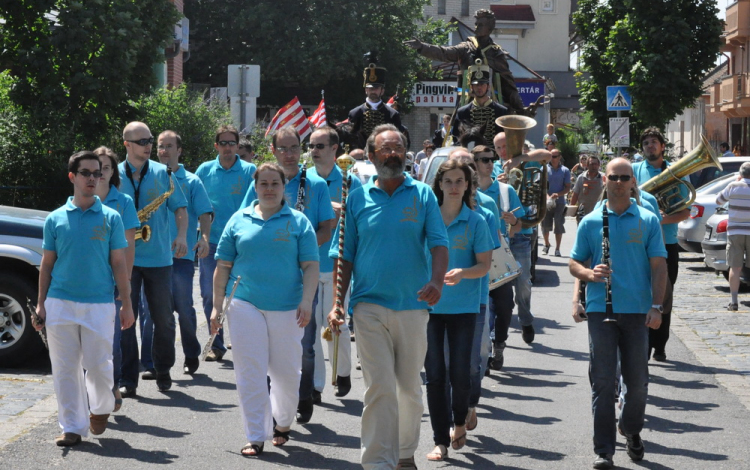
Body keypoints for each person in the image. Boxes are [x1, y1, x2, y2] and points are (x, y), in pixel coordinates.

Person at [328, 124, 449, 469]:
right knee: (379, 387)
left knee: (408, 388)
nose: (393, 154)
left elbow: (439, 244)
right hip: (368, 306)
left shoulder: (423, 195)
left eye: (398, 148)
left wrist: (437, 282)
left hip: (413, 305)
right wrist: (339, 301)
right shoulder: (357, 198)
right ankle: (378, 462)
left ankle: (406, 452)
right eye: (385, 149)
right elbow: (345, 254)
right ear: (371, 156)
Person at [211, 162, 319, 457]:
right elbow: (222, 265)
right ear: (255, 187)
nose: (269, 189)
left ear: (285, 187)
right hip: (244, 303)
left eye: (275, 184)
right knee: (250, 370)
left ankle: (283, 422)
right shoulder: (239, 219)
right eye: (264, 184)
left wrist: (307, 301)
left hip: (288, 307)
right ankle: (256, 435)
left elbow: (310, 266)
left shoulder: (298, 222)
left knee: (286, 373)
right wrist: (216, 306)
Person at [569, 157, 667, 469]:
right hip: (601, 309)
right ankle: (604, 451)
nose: (620, 182)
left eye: (625, 177)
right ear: (605, 181)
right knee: (601, 381)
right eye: (614, 177)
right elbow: (574, 263)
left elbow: (659, 266)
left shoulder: (648, 219)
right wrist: (587, 274)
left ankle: (632, 428)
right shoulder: (591, 221)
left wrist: (657, 306)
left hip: (638, 311)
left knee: (637, 382)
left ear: (633, 182)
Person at [36, 150, 134, 446]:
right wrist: (41, 303)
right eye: (86, 173)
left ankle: (101, 408)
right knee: (65, 368)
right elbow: (47, 263)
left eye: (97, 173)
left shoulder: (111, 217)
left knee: (99, 364)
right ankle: (72, 427)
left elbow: (119, 262)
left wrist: (126, 303)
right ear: (72, 177)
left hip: (100, 303)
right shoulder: (54, 219)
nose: (93, 178)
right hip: (60, 302)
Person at [240, 126, 335, 425]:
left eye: (294, 147)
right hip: (267, 276)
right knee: (266, 344)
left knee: (304, 341)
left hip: (302, 273)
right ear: (273, 150)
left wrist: (298, 251)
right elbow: (245, 220)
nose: (290, 154)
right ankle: (271, 405)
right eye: (283, 148)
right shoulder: (262, 181)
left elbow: (326, 228)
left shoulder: (316, 183)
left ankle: (303, 395)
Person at [424, 159, 492, 462]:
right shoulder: (427, 217)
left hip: (465, 306)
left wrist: (462, 273)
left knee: (460, 371)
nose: (453, 186)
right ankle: (440, 440)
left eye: (459, 181)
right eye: (448, 181)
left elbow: (485, 265)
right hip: (429, 306)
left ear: (467, 186)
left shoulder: (476, 220)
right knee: (435, 374)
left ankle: (459, 421)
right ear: (439, 184)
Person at [117, 122, 188, 397]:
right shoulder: (114, 175)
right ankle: (128, 378)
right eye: (142, 141)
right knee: (126, 320)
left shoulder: (163, 173)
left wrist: (182, 235)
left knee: (164, 319)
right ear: (127, 145)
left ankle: (163, 368)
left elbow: (180, 208)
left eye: (150, 140)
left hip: (159, 257)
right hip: (125, 258)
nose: (149, 145)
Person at [307, 126, 361, 399]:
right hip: (310, 263)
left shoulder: (352, 181)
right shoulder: (304, 180)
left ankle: (342, 372)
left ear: (334, 149)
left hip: (340, 263)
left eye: (319, 146)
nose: (313, 151)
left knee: (337, 323)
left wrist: (346, 209)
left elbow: (364, 217)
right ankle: (316, 385)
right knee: (312, 326)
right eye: (311, 146)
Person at [195, 125, 257, 362]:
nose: (228, 148)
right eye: (223, 143)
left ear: (238, 146)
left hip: (242, 245)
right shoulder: (204, 170)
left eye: (233, 143)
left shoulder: (250, 170)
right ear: (216, 146)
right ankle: (216, 344)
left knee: (243, 296)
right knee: (211, 294)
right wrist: (197, 238)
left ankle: (245, 343)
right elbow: (195, 205)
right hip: (211, 243)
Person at [156, 130, 213, 374]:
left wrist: (204, 238)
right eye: (161, 146)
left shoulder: (191, 181)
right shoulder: (149, 178)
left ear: (179, 150)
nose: (164, 151)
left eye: (169, 146)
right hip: (153, 256)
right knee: (158, 312)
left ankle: (191, 354)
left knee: (184, 308)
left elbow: (204, 213)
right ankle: (158, 363)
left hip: (181, 255)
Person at [632, 127, 690, 362]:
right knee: (642, 293)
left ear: (662, 146)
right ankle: (643, 343)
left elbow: (685, 211)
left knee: (664, 296)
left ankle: (660, 344)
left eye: (654, 142)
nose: (650, 146)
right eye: (646, 143)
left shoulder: (677, 173)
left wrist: (660, 218)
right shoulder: (634, 171)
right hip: (640, 243)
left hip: (667, 243)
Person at [404, 9, 526, 115]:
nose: (476, 27)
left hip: (491, 106)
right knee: (457, 131)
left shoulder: (496, 53)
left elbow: (509, 86)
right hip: (466, 104)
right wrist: (422, 47)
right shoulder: (466, 47)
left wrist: (521, 109)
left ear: (489, 28)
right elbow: (444, 53)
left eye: (481, 24)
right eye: (476, 24)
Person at [494, 131, 553, 345]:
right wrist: (497, 183)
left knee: (523, 283)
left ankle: (526, 319)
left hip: (522, 233)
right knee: (496, 288)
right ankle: (496, 338)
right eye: (498, 147)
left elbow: (548, 154)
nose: (502, 151)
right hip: (499, 235)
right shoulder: (493, 168)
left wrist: (522, 158)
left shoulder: (529, 163)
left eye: (505, 146)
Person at [93, 146, 139, 412]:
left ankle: (113, 384)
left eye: (107, 168)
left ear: (113, 172)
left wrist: (126, 283)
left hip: (113, 281)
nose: (100, 173)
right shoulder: (80, 199)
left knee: (112, 340)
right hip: (87, 282)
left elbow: (129, 245)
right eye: (97, 167)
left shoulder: (123, 202)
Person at [473, 145, 526, 371]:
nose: (489, 163)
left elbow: (519, 226)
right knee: (481, 308)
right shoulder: (466, 191)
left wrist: (512, 223)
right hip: (473, 257)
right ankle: (480, 354)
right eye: (484, 159)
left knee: (504, 304)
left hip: (498, 254)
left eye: (491, 159)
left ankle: (500, 344)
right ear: (473, 163)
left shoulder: (505, 190)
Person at [348, 53, 408, 149]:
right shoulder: (355, 113)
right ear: (366, 90)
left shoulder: (392, 114)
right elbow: (350, 139)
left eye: (376, 88)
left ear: (382, 91)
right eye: (370, 88)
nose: (373, 91)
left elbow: (398, 139)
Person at [716, 162, 750, 310]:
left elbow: (718, 200)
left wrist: (735, 183)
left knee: (735, 267)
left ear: (740, 174)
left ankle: (734, 301)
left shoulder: (733, 186)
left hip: (735, 232)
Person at [450, 61, 509, 145]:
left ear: (488, 86)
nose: (479, 87)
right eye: (476, 85)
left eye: (482, 84)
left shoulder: (501, 111)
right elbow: (456, 137)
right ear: (471, 87)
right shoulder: (462, 112)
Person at [541, 149, 571, 257]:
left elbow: (567, 187)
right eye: (550, 156)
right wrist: (547, 196)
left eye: (554, 156)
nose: (552, 159)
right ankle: (546, 244)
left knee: (558, 224)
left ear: (559, 157)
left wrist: (557, 195)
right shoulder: (544, 169)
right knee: (545, 224)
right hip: (546, 201)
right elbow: (540, 185)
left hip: (560, 202)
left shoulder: (565, 170)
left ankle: (557, 248)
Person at [570, 155, 604, 223]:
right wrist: (572, 209)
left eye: (596, 164)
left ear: (599, 165)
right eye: (591, 164)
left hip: (599, 211)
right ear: (587, 165)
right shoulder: (581, 178)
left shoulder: (603, 177)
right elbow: (575, 194)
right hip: (583, 211)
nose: (594, 166)